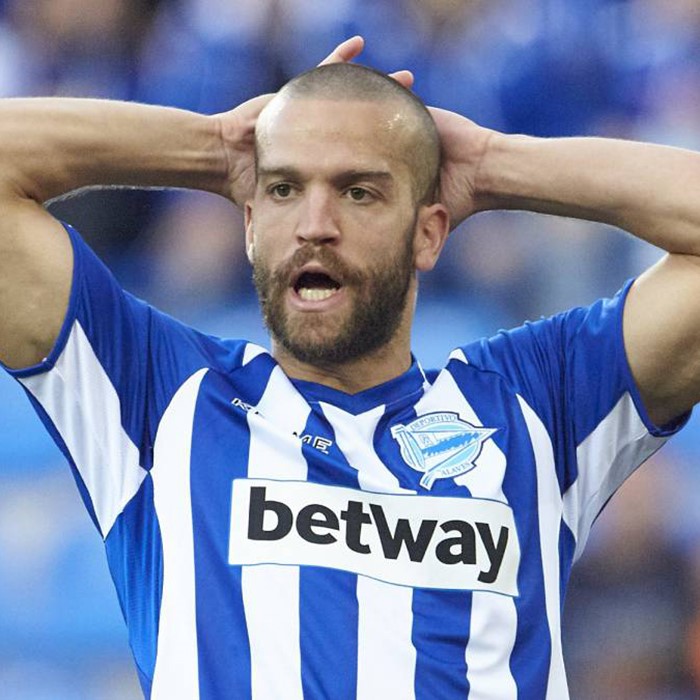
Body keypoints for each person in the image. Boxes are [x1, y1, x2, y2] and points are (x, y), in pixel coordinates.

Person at [0, 35, 697, 699]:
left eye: (358, 192)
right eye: (283, 190)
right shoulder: (161, 396)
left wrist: (490, 163)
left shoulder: (535, 406)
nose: (315, 224)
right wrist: (214, 146)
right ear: (250, 226)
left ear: (429, 233)